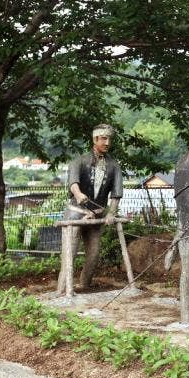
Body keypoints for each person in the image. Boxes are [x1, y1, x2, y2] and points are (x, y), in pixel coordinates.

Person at [59, 124, 123, 290]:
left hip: (97, 215)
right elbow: (73, 183)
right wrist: (79, 194)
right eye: (103, 138)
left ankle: (85, 286)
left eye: (109, 139)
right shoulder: (79, 161)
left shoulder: (114, 166)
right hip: (75, 213)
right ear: (95, 139)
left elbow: (116, 193)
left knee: (94, 255)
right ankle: (63, 289)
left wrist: (111, 213)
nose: (107, 142)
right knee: (69, 254)